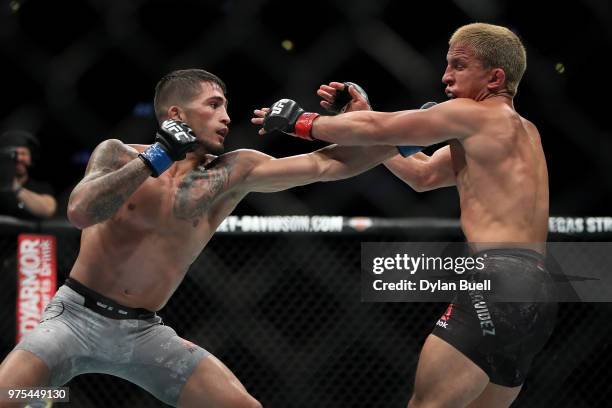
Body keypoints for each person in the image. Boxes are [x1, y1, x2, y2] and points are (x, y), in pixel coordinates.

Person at [0, 69, 396, 408]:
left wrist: (375, 127)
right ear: (177, 114)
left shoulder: (231, 172)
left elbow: (330, 165)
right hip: (73, 319)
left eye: (224, 106)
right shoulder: (118, 154)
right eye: (214, 105)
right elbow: (80, 211)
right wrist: (155, 158)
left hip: (143, 332)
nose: (225, 117)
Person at [257, 23, 557, 407]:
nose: (446, 76)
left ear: (495, 77)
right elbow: (423, 174)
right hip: (539, 292)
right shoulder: (523, 132)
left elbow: (379, 127)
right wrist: (360, 113)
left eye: (459, 66)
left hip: (496, 280)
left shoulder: (473, 115)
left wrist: (303, 122)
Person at [0, 130, 57, 220]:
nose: (18, 158)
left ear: (31, 158)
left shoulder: (41, 187)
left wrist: (16, 188)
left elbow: (49, 210)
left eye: (23, 153)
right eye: (13, 154)